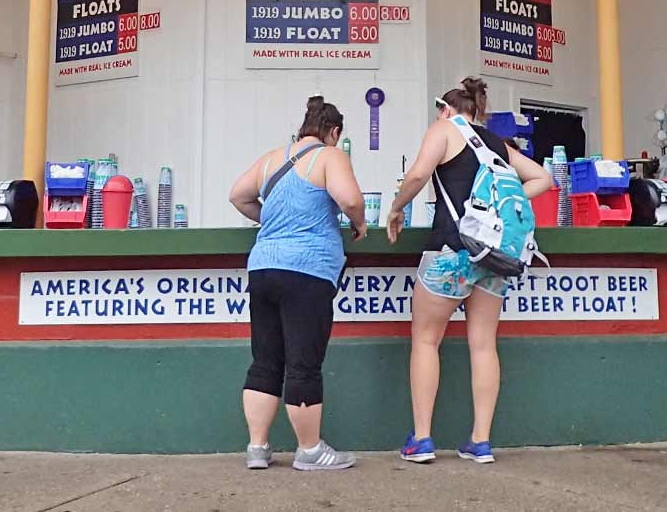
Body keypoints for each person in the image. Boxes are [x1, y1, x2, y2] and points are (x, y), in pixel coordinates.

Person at [385, 77, 550, 465]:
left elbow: (418, 175)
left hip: (451, 251)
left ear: (446, 108)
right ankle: (480, 441)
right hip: (493, 255)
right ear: (477, 111)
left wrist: (396, 209)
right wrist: (498, 203)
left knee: (426, 340)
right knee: (483, 344)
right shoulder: (495, 144)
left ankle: (422, 439)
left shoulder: (443, 129)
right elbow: (542, 178)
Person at [228, 95, 367, 471]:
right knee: (304, 363)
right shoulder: (330, 156)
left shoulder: (274, 157)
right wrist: (359, 222)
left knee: (265, 359)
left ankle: (257, 448)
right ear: (333, 132)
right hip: (307, 272)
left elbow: (238, 195)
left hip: (263, 269)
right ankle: (309, 450)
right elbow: (351, 199)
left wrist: (273, 222)